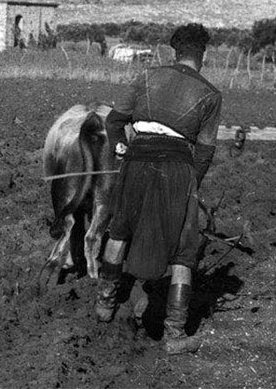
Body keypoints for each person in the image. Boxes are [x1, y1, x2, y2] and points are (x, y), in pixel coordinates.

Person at [95, 23, 222, 355]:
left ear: (174, 51)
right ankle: (175, 333)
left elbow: (113, 121)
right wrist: (189, 184)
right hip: (178, 170)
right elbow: (206, 150)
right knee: (184, 248)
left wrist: (121, 147)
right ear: (202, 54)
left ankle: (105, 303)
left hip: (137, 161)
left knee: (119, 230)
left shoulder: (147, 76)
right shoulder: (210, 94)